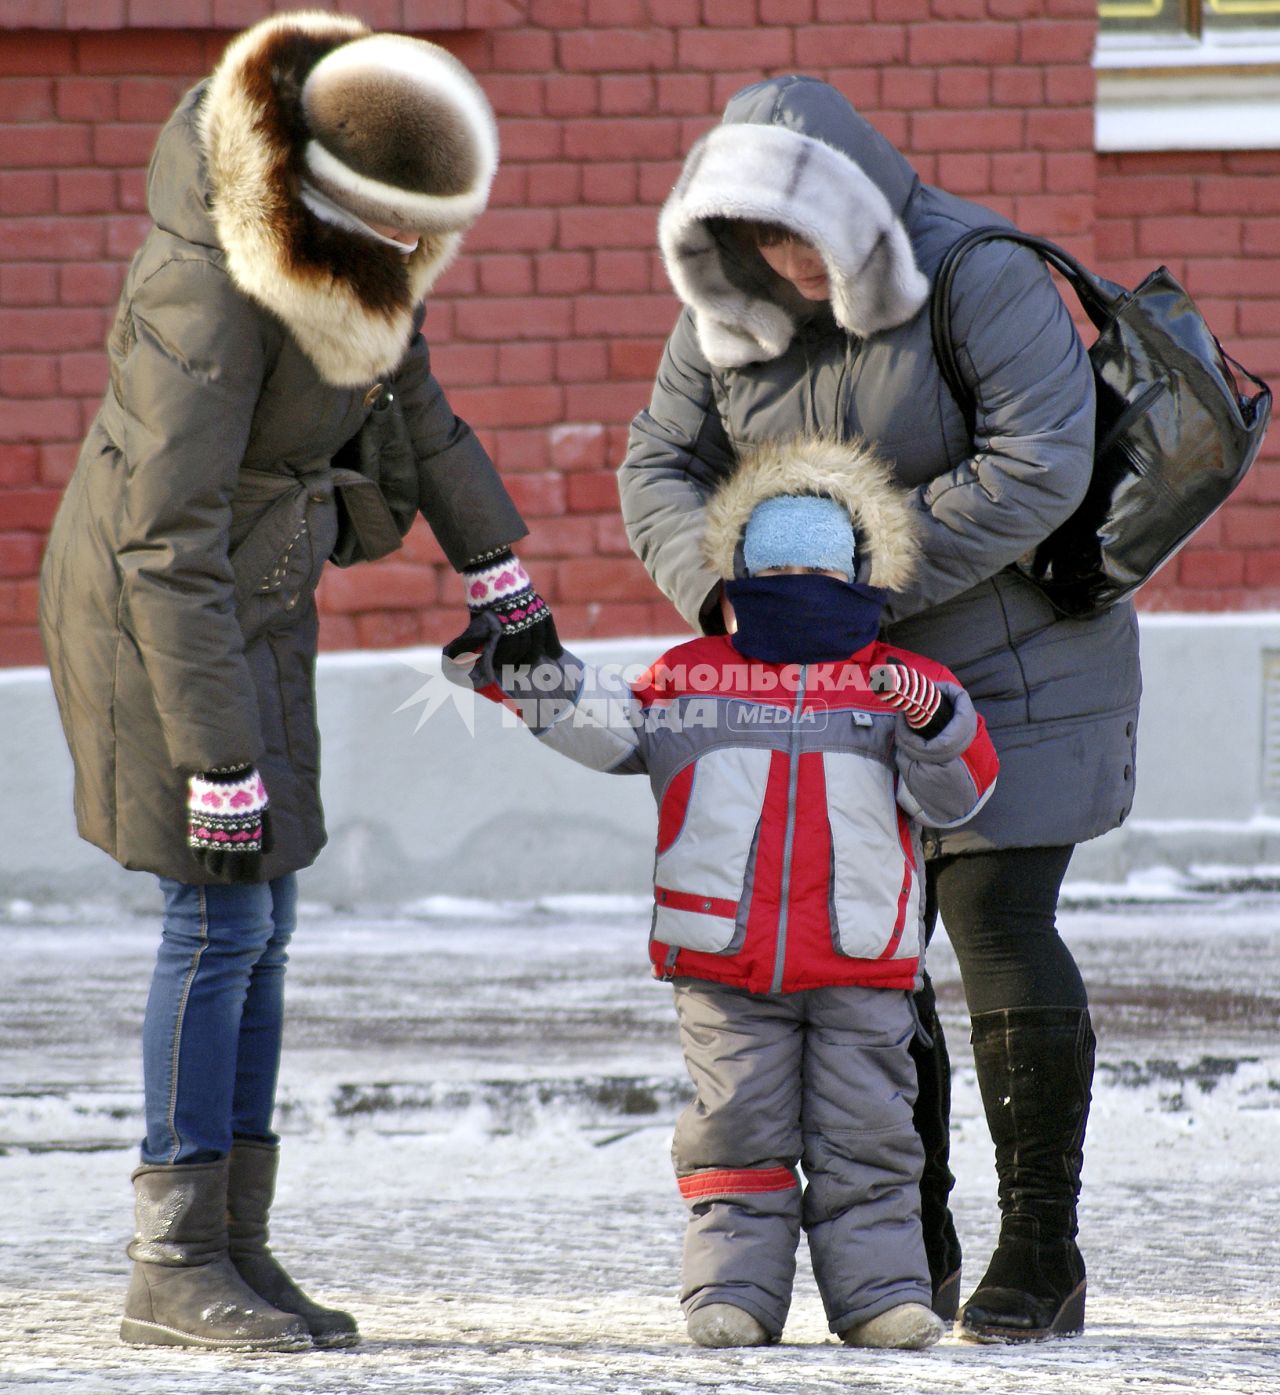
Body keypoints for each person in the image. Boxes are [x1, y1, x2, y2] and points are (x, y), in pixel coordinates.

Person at [37, 11, 557, 1352]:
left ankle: (238, 1239)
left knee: (264, 924)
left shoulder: (356, 245)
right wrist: (215, 754)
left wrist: (501, 572)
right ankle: (172, 1257)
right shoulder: (205, 285)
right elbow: (162, 532)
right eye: (399, 232)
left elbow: (417, 411)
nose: (412, 261)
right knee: (213, 919)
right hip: (159, 614)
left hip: (254, 592)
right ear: (329, 195)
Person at [618, 75, 1141, 1343]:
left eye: (803, 232)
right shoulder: (726, 310)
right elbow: (658, 464)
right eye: (756, 237)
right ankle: (920, 1239)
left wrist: (854, 583)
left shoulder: (975, 276)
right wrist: (727, 597)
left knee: (993, 918)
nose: (784, 261)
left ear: (857, 212)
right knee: (865, 951)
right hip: (825, 698)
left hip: (1017, 664)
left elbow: (1040, 464)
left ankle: (1039, 1244)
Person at [447, 435, 999, 1350]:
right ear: (738, 571)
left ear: (862, 572)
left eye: (815, 565)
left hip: (859, 961)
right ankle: (732, 1295)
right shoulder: (692, 675)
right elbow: (609, 726)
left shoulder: (898, 684)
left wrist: (936, 725)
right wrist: (525, 671)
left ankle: (879, 1299)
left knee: (869, 1137)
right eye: (772, 563)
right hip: (722, 962)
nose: (794, 580)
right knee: (734, 1129)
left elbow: (961, 792)